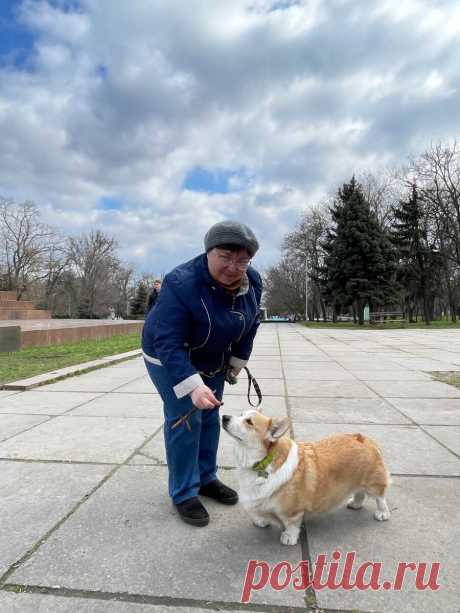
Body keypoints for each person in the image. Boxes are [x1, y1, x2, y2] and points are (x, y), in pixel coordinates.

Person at [142, 220, 262, 527]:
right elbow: (166, 339)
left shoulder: (253, 282)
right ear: (208, 252)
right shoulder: (181, 282)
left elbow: (251, 323)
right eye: (225, 257)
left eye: (242, 260)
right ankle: (184, 492)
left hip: (213, 355)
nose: (233, 267)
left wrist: (238, 360)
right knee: (186, 417)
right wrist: (191, 384)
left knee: (210, 416)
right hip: (169, 355)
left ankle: (206, 478)